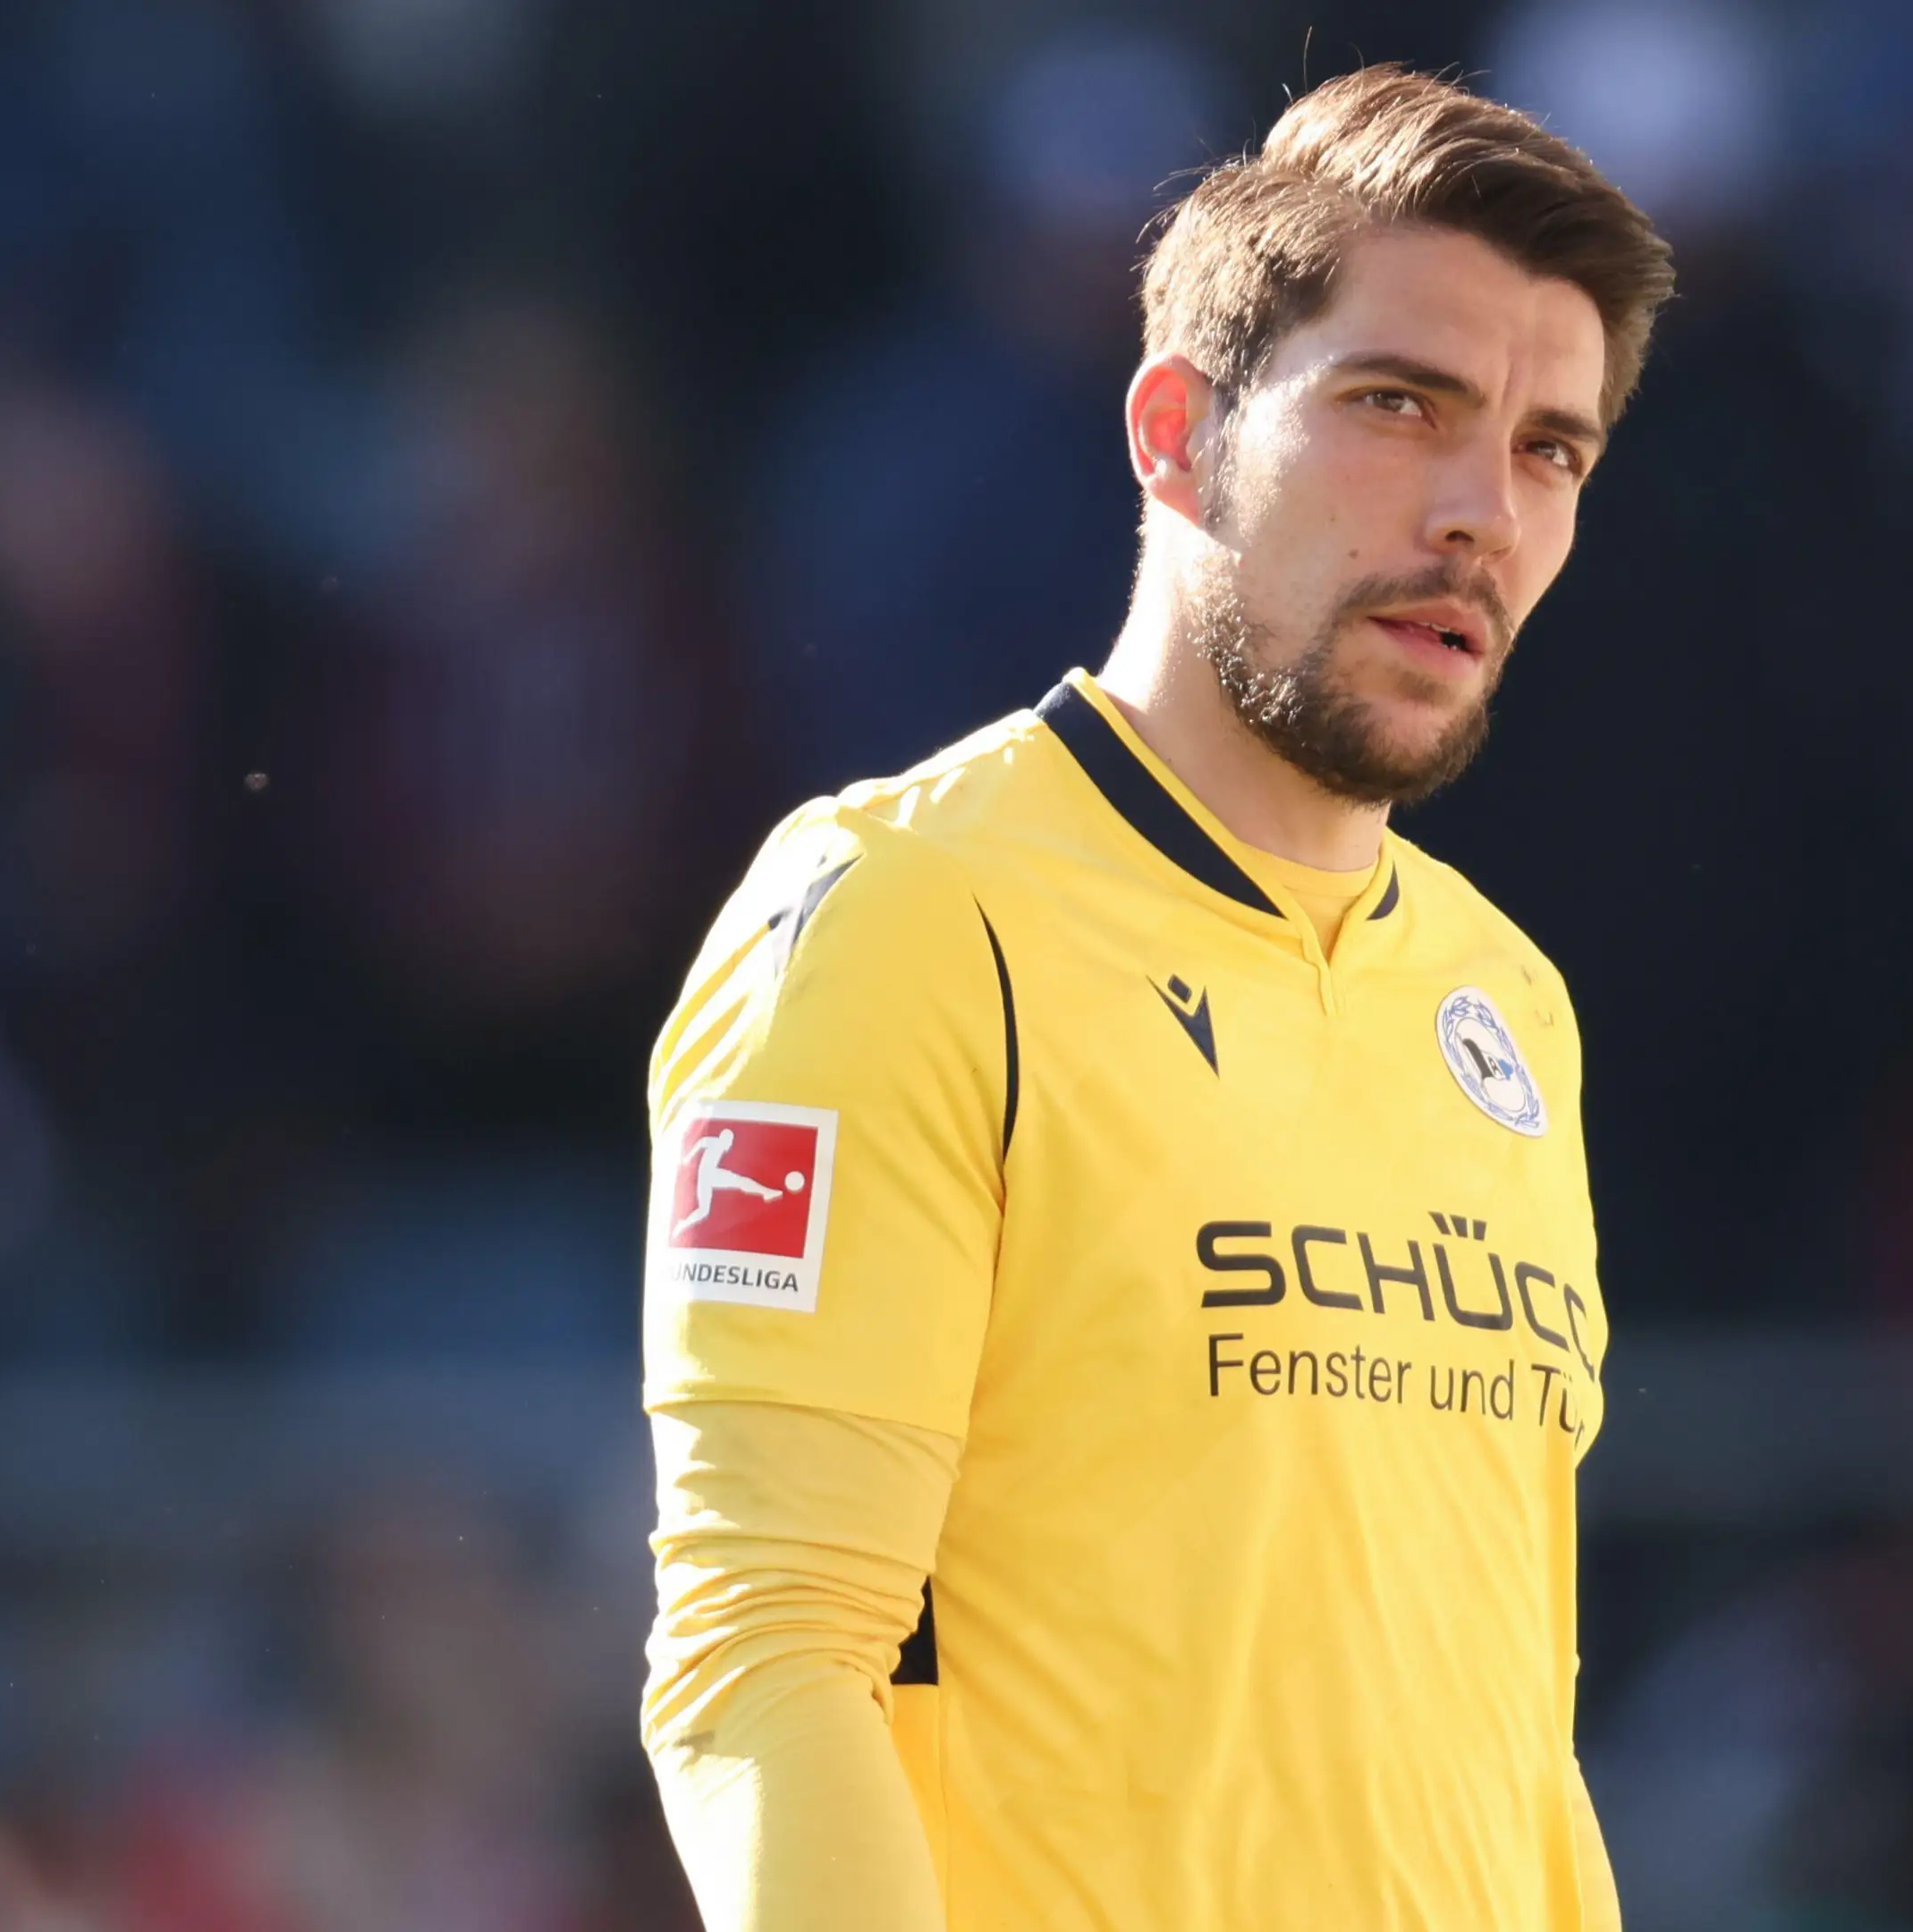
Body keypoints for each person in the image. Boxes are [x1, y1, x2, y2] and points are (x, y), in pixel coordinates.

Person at [635, 65, 1673, 1930]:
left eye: (1550, 451)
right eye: (1398, 405)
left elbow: (1506, 1740)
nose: (1480, 515)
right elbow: (765, 1659)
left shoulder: (1504, 1003)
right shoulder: (903, 918)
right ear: (1177, 430)